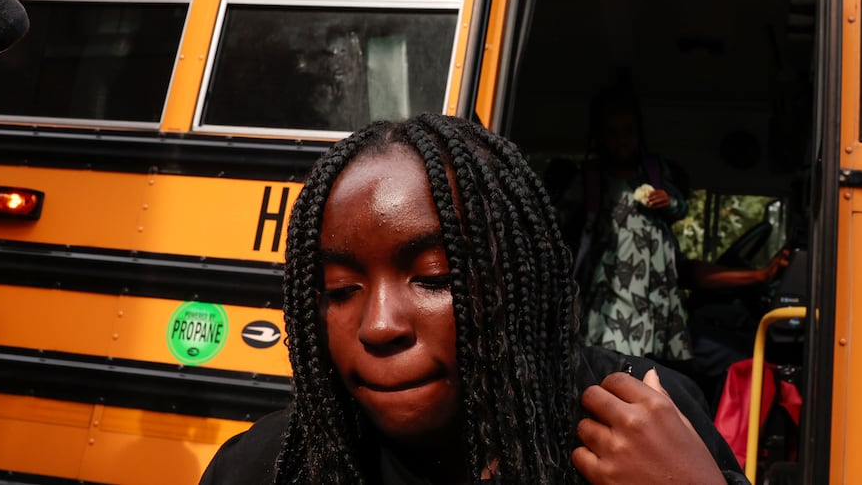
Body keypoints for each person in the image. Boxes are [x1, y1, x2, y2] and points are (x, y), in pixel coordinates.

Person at [199, 113, 747, 485]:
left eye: (434, 276)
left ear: (515, 277)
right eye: (341, 290)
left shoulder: (647, 426)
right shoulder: (263, 468)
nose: (379, 325)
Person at [572, 86, 788, 367]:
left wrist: (761, 276)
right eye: (612, 133)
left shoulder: (655, 182)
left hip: (662, 327)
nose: (621, 141)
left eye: (629, 131)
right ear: (600, 137)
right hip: (611, 323)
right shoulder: (591, 186)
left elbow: (685, 269)